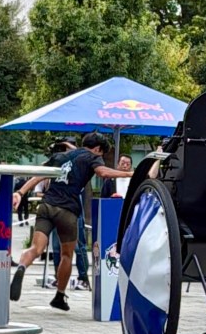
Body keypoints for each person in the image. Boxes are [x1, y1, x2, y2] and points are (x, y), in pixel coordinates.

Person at [10, 132, 133, 311]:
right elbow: (103, 172)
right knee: (67, 255)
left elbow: (39, 176)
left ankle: (22, 266)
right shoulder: (93, 157)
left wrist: (20, 193)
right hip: (67, 211)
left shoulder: (60, 156)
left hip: (47, 205)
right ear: (98, 149)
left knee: (36, 248)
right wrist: (129, 173)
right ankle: (59, 296)